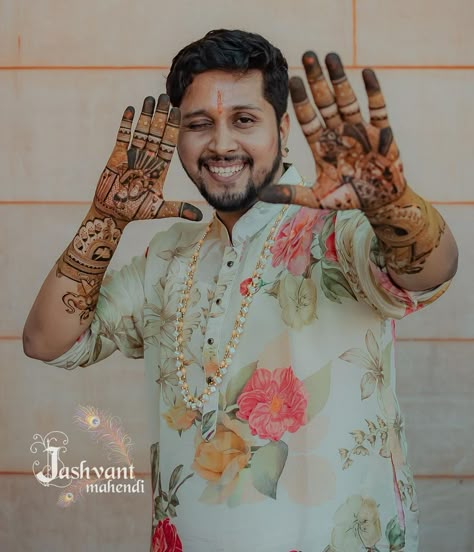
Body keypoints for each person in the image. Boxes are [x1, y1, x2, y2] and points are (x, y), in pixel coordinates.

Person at [23, 28, 458, 552]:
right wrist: (105, 219)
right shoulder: (167, 257)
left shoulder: (337, 231)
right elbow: (48, 341)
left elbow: (430, 269)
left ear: (283, 127)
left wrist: (389, 204)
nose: (221, 143)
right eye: (199, 124)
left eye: (244, 120)